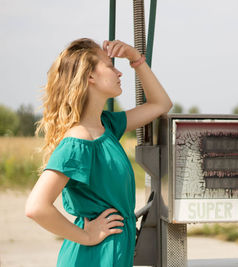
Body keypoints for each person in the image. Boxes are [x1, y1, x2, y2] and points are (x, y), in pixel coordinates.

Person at [25, 38, 172, 266]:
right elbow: (36, 207)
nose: (118, 73)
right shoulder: (79, 140)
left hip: (113, 253)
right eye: (110, 66)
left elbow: (161, 104)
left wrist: (136, 59)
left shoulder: (107, 126)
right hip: (94, 256)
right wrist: (86, 235)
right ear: (89, 76)